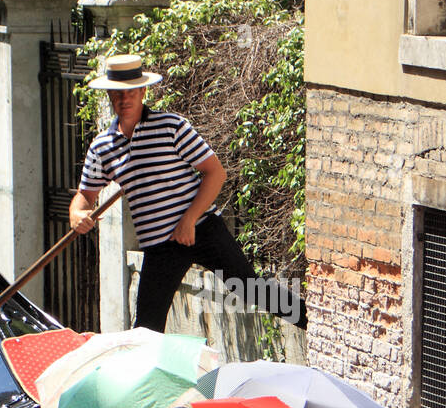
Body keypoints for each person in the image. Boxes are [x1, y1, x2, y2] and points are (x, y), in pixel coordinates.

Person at [68, 53, 306, 334]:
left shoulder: (172, 126)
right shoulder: (102, 147)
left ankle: (322, 327)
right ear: (109, 95)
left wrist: (189, 219)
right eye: (118, 93)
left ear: (143, 91)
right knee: (146, 328)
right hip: (160, 246)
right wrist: (76, 214)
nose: (124, 99)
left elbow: (215, 173)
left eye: (131, 91)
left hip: (202, 228)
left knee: (252, 290)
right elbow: (85, 195)